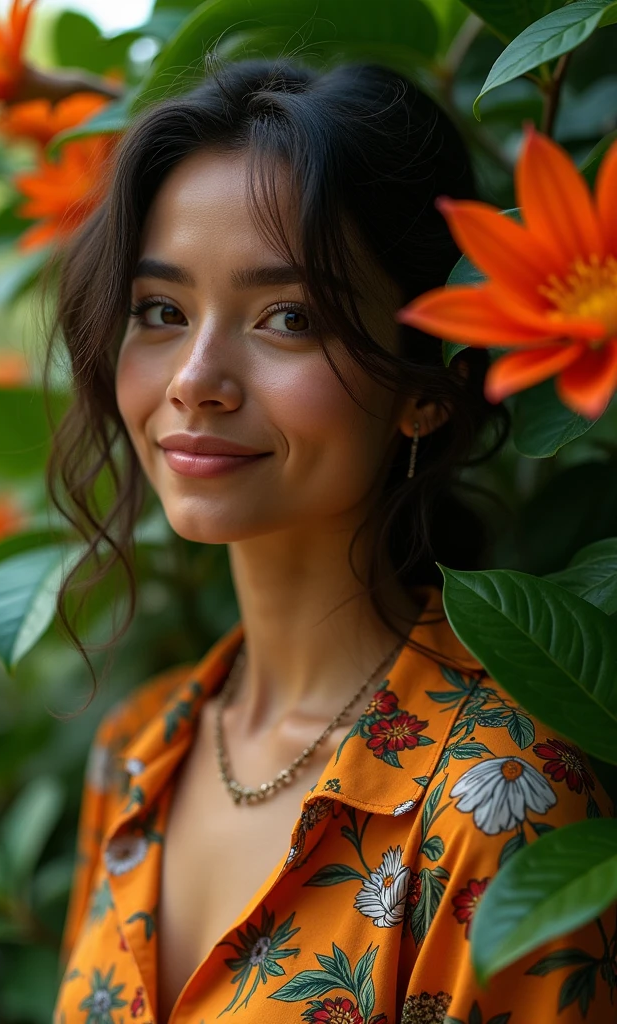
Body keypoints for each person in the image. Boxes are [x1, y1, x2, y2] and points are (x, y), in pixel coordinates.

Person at [49, 58, 615, 1024]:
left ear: (424, 396)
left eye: (289, 317)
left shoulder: (502, 798)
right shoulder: (135, 754)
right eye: (161, 311)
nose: (195, 377)